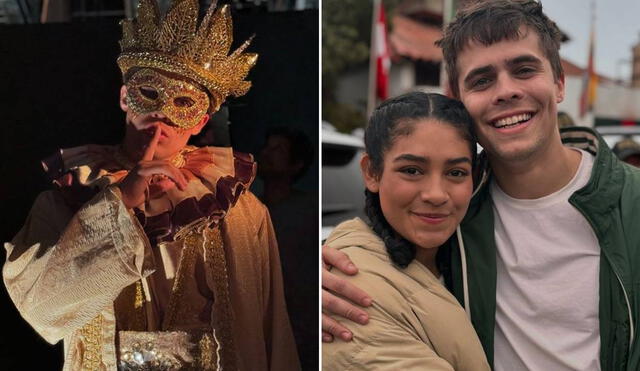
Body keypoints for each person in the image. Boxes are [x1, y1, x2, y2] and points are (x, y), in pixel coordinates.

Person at [322, 1, 640, 370]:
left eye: (523, 69)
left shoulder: (631, 203)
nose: (505, 91)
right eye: (482, 80)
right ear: (460, 102)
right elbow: (375, 256)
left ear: (559, 84)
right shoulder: (452, 213)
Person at [3, 0, 299, 370]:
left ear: (200, 121)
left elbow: (272, 329)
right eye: (150, 93)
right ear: (125, 97)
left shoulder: (240, 211)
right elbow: (42, 311)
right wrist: (120, 203)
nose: (163, 117)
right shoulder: (66, 200)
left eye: (183, 103)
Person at [322, 92, 489, 370]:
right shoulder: (349, 291)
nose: (436, 194)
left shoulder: (472, 254)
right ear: (372, 173)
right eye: (412, 170)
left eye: (456, 173)